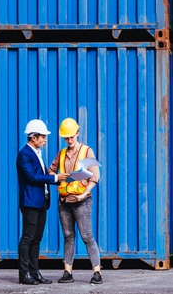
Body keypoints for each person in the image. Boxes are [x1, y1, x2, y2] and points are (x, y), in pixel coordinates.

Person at [49, 117, 103, 284]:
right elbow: (51, 172)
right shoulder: (62, 153)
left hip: (82, 201)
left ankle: (97, 272)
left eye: (71, 137)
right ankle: (67, 272)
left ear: (78, 133)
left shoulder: (87, 151)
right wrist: (58, 177)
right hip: (64, 202)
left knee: (87, 236)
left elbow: (95, 176)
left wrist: (83, 193)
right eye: (66, 138)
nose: (69, 140)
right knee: (68, 236)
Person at [17, 119, 69, 285]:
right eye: (43, 136)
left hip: (41, 202)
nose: (46, 139)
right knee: (28, 238)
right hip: (30, 203)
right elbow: (33, 177)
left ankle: (35, 272)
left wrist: (62, 179)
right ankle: (24, 274)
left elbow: (42, 175)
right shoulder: (24, 154)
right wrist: (55, 178)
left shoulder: (37, 153)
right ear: (34, 138)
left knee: (37, 239)